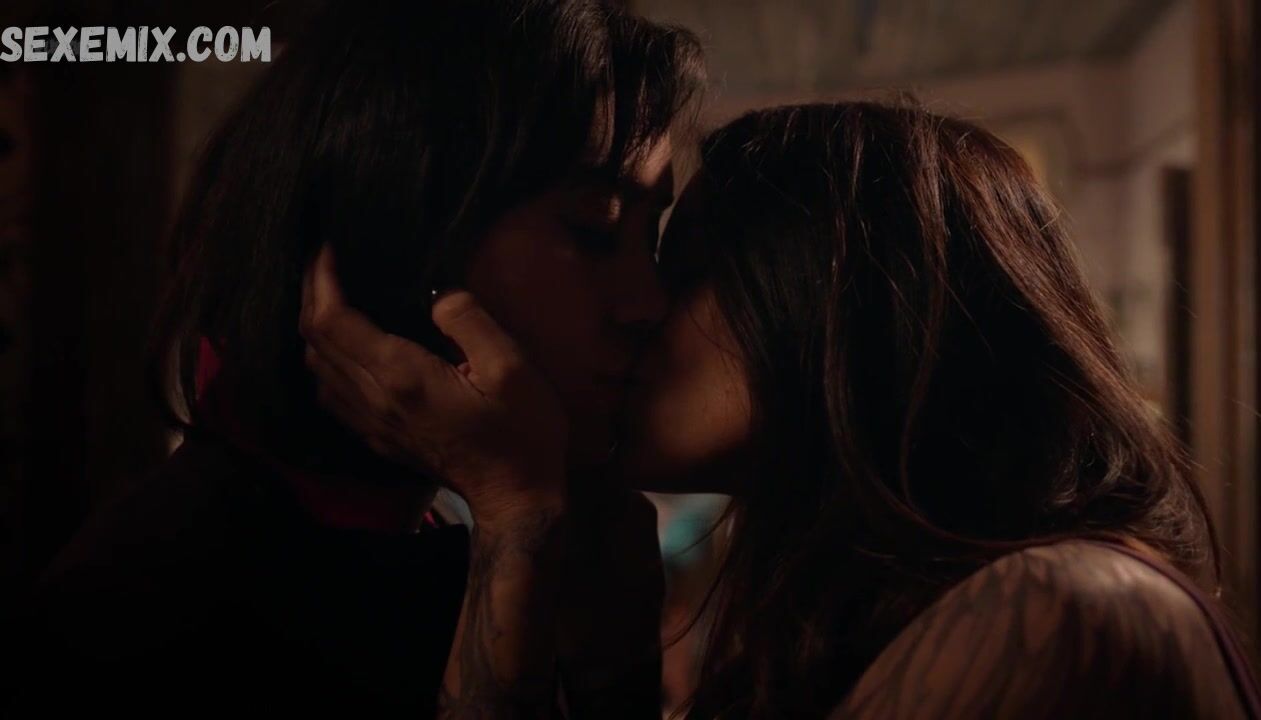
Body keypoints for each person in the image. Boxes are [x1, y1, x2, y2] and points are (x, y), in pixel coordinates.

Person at [301, 101, 1261, 718]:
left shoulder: (1054, 612)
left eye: (685, 271)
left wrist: (516, 518)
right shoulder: (861, 606)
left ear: (838, 302)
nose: (640, 309)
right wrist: (607, 653)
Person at [8, 0, 702, 715]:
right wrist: (517, 514)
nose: (648, 303)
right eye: (595, 228)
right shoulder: (146, 605)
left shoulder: (441, 534)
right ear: (407, 227)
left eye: (649, 239)